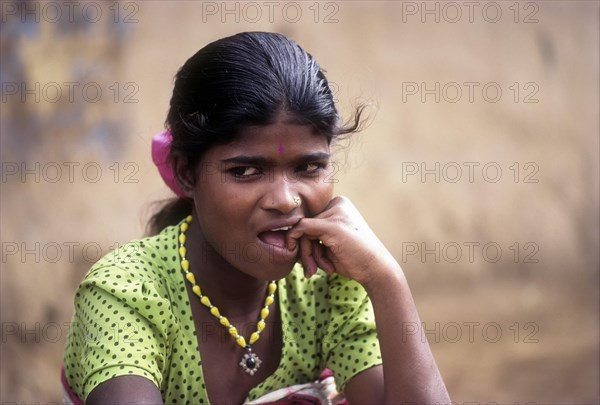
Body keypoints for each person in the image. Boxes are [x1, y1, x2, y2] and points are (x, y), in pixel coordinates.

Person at [62, 32, 450, 404]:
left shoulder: (328, 285)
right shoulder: (127, 293)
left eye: (309, 168)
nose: (284, 200)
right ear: (185, 172)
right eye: (245, 171)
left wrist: (386, 279)